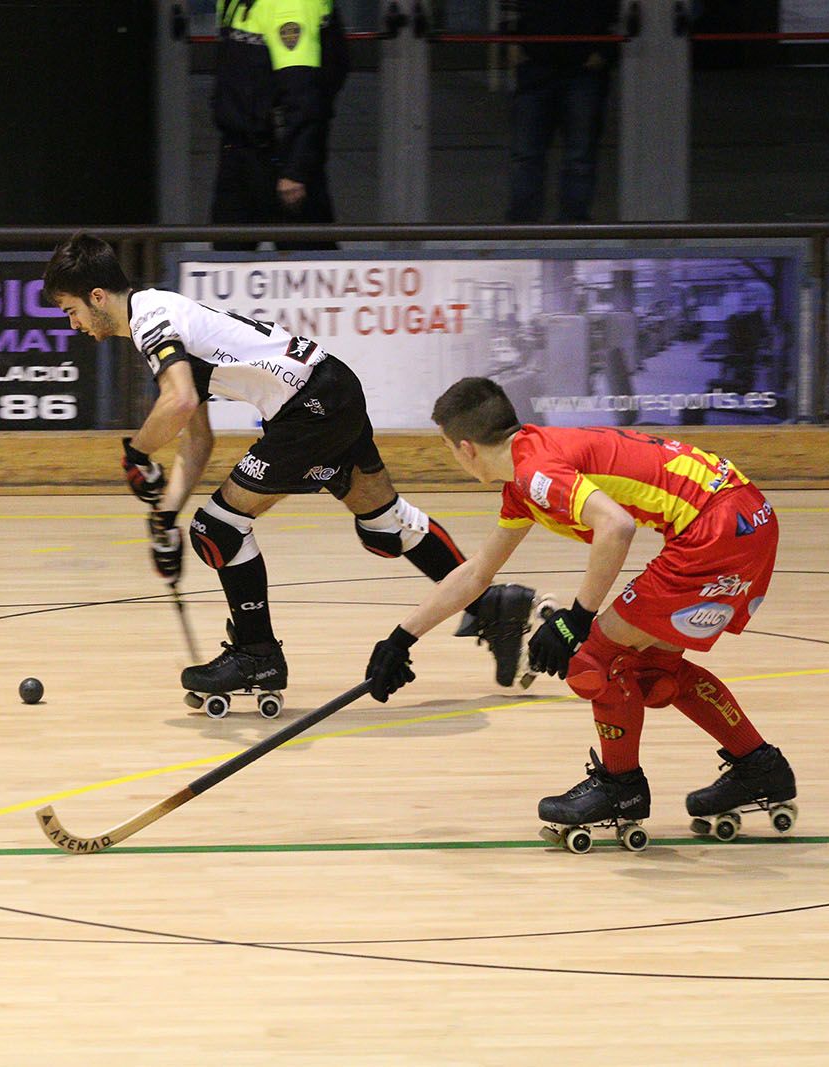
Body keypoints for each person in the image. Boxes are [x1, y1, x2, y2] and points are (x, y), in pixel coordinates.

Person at [44, 234, 546, 708]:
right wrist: (164, 516)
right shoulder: (163, 312)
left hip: (311, 408)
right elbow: (197, 438)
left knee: (218, 528)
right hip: (328, 389)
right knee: (385, 528)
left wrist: (135, 454)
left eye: (71, 312)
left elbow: (179, 401)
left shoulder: (153, 320)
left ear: (96, 296)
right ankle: (495, 607)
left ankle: (257, 656)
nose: (74, 325)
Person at [365, 377, 795, 844]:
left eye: (449, 448)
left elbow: (616, 526)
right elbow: (476, 575)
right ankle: (760, 767)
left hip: (716, 528)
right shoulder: (525, 476)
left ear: (466, 448)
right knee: (653, 666)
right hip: (745, 517)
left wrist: (577, 618)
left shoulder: (536, 472)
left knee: (593, 658)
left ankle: (620, 787)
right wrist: (402, 638)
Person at [210, 0, 347, 250]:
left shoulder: (289, 4)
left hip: (278, 156)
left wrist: (295, 169)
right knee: (225, 269)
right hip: (240, 151)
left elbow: (303, 94)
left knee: (306, 273)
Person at [505, 0, 619, 223]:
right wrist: (510, 42)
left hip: (581, 69)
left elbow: (620, 13)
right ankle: (524, 228)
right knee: (529, 155)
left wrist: (605, 51)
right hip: (539, 65)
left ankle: (570, 228)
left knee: (576, 156)